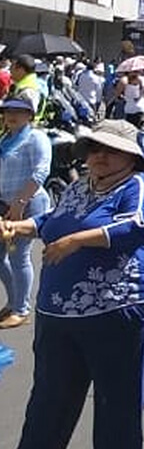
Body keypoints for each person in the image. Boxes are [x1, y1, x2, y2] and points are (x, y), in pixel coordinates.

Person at [0, 120, 144, 449]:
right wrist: (19, 227)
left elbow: (137, 227)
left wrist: (76, 240)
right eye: (93, 149)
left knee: (117, 392)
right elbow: (52, 221)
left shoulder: (140, 187)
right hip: (58, 311)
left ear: (131, 156)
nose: (99, 156)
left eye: (110, 150)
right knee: (49, 396)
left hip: (118, 307)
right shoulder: (78, 186)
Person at [0, 98, 52, 330]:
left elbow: (41, 171)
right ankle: (14, 302)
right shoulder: (5, 140)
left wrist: (20, 202)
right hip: (4, 204)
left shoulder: (35, 138)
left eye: (19, 112)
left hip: (29, 203)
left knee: (18, 255)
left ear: (30, 115)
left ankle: (21, 310)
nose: (12, 116)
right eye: (8, 111)